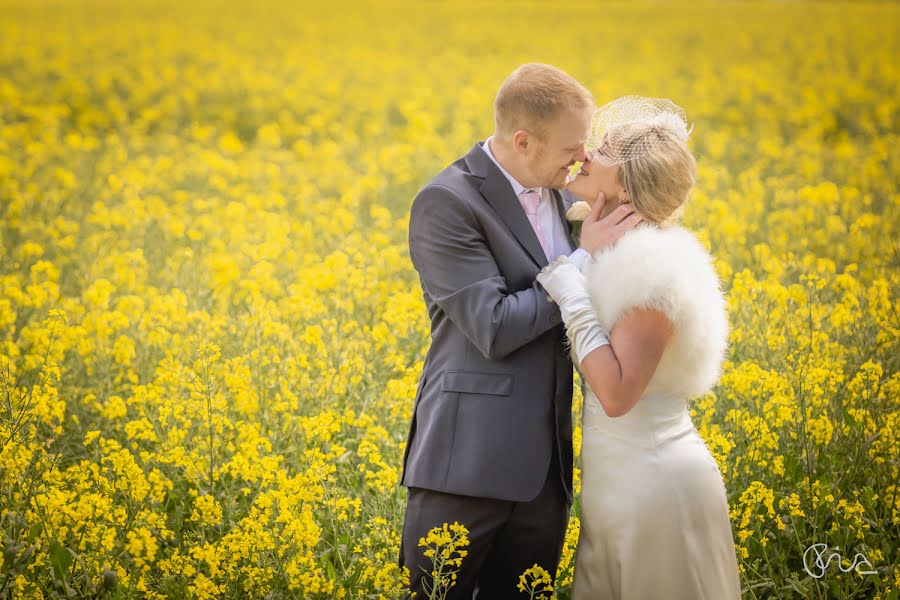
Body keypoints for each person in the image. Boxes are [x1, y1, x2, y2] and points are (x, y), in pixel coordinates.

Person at [399, 64, 642, 598]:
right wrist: (584, 260)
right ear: (523, 140)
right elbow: (494, 326)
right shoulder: (447, 202)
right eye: (570, 148)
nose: (581, 159)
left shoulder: (561, 193)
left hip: (545, 474)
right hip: (466, 467)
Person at [536, 95, 742, 599]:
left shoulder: (650, 265)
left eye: (602, 149)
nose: (586, 154)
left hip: (655, 489)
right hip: (618, 486)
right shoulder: (613, 248)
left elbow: (617, 393)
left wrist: (569, 287)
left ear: (626, 184)